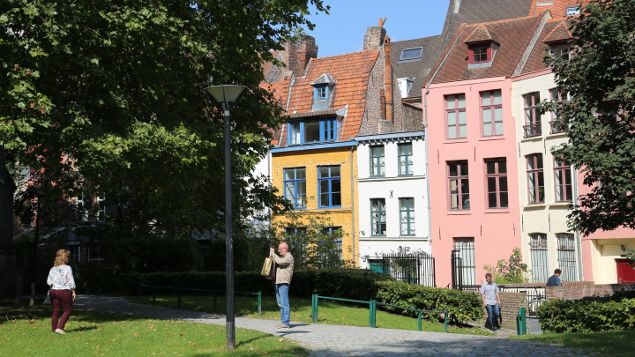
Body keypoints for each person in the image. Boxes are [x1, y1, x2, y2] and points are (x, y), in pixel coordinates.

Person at [46, 249, 76, 334]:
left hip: (53, 291)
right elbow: (71, 280)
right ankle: (60, 327)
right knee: (68, 310)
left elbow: (48, 281)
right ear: (65, 257)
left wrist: (54, 286)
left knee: (56, 310)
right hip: (64, 291)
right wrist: (73, 290)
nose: (68, 258)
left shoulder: (53, 268)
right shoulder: (67, 268)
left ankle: (54, 329)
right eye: (67, 256)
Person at [270, 242, 294, 329]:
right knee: (280, 304)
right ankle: (283, 321)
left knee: (284, 303)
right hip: (278, 282)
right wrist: (271, 255)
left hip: (284, 282)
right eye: (278, 249)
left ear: (285, 248)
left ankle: (286, 322)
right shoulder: (282, 257)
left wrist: (273, 254)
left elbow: (279, 261)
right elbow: (275, 262)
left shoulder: (289, 257)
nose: (279, 251)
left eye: (280, 249)